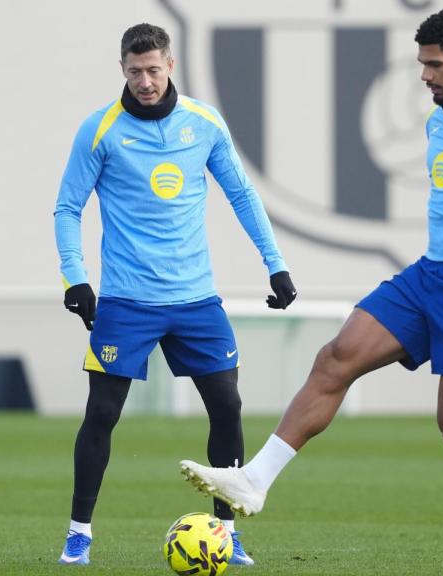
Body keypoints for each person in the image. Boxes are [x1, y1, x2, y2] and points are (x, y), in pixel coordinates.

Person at [181, 8, 443, 576]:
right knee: (336, 356)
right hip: (431, 275)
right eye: (421, 64)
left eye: (435, 65)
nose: (424, 76)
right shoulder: (438, 120)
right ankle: (254, 480)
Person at [54, 22, 297, 567]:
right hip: (126, 301)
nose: (144, 81)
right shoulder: (100, 130)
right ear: (122, 69)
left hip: (195, 300)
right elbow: (68, 206)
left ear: (171, 65)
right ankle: (78, 533)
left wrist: (275, 264)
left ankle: (226, 532)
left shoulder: (204, 123)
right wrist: (75, 277)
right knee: (102, 412)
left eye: (153, 70)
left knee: (228, 406)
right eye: (134, 71)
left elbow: (241, 193)